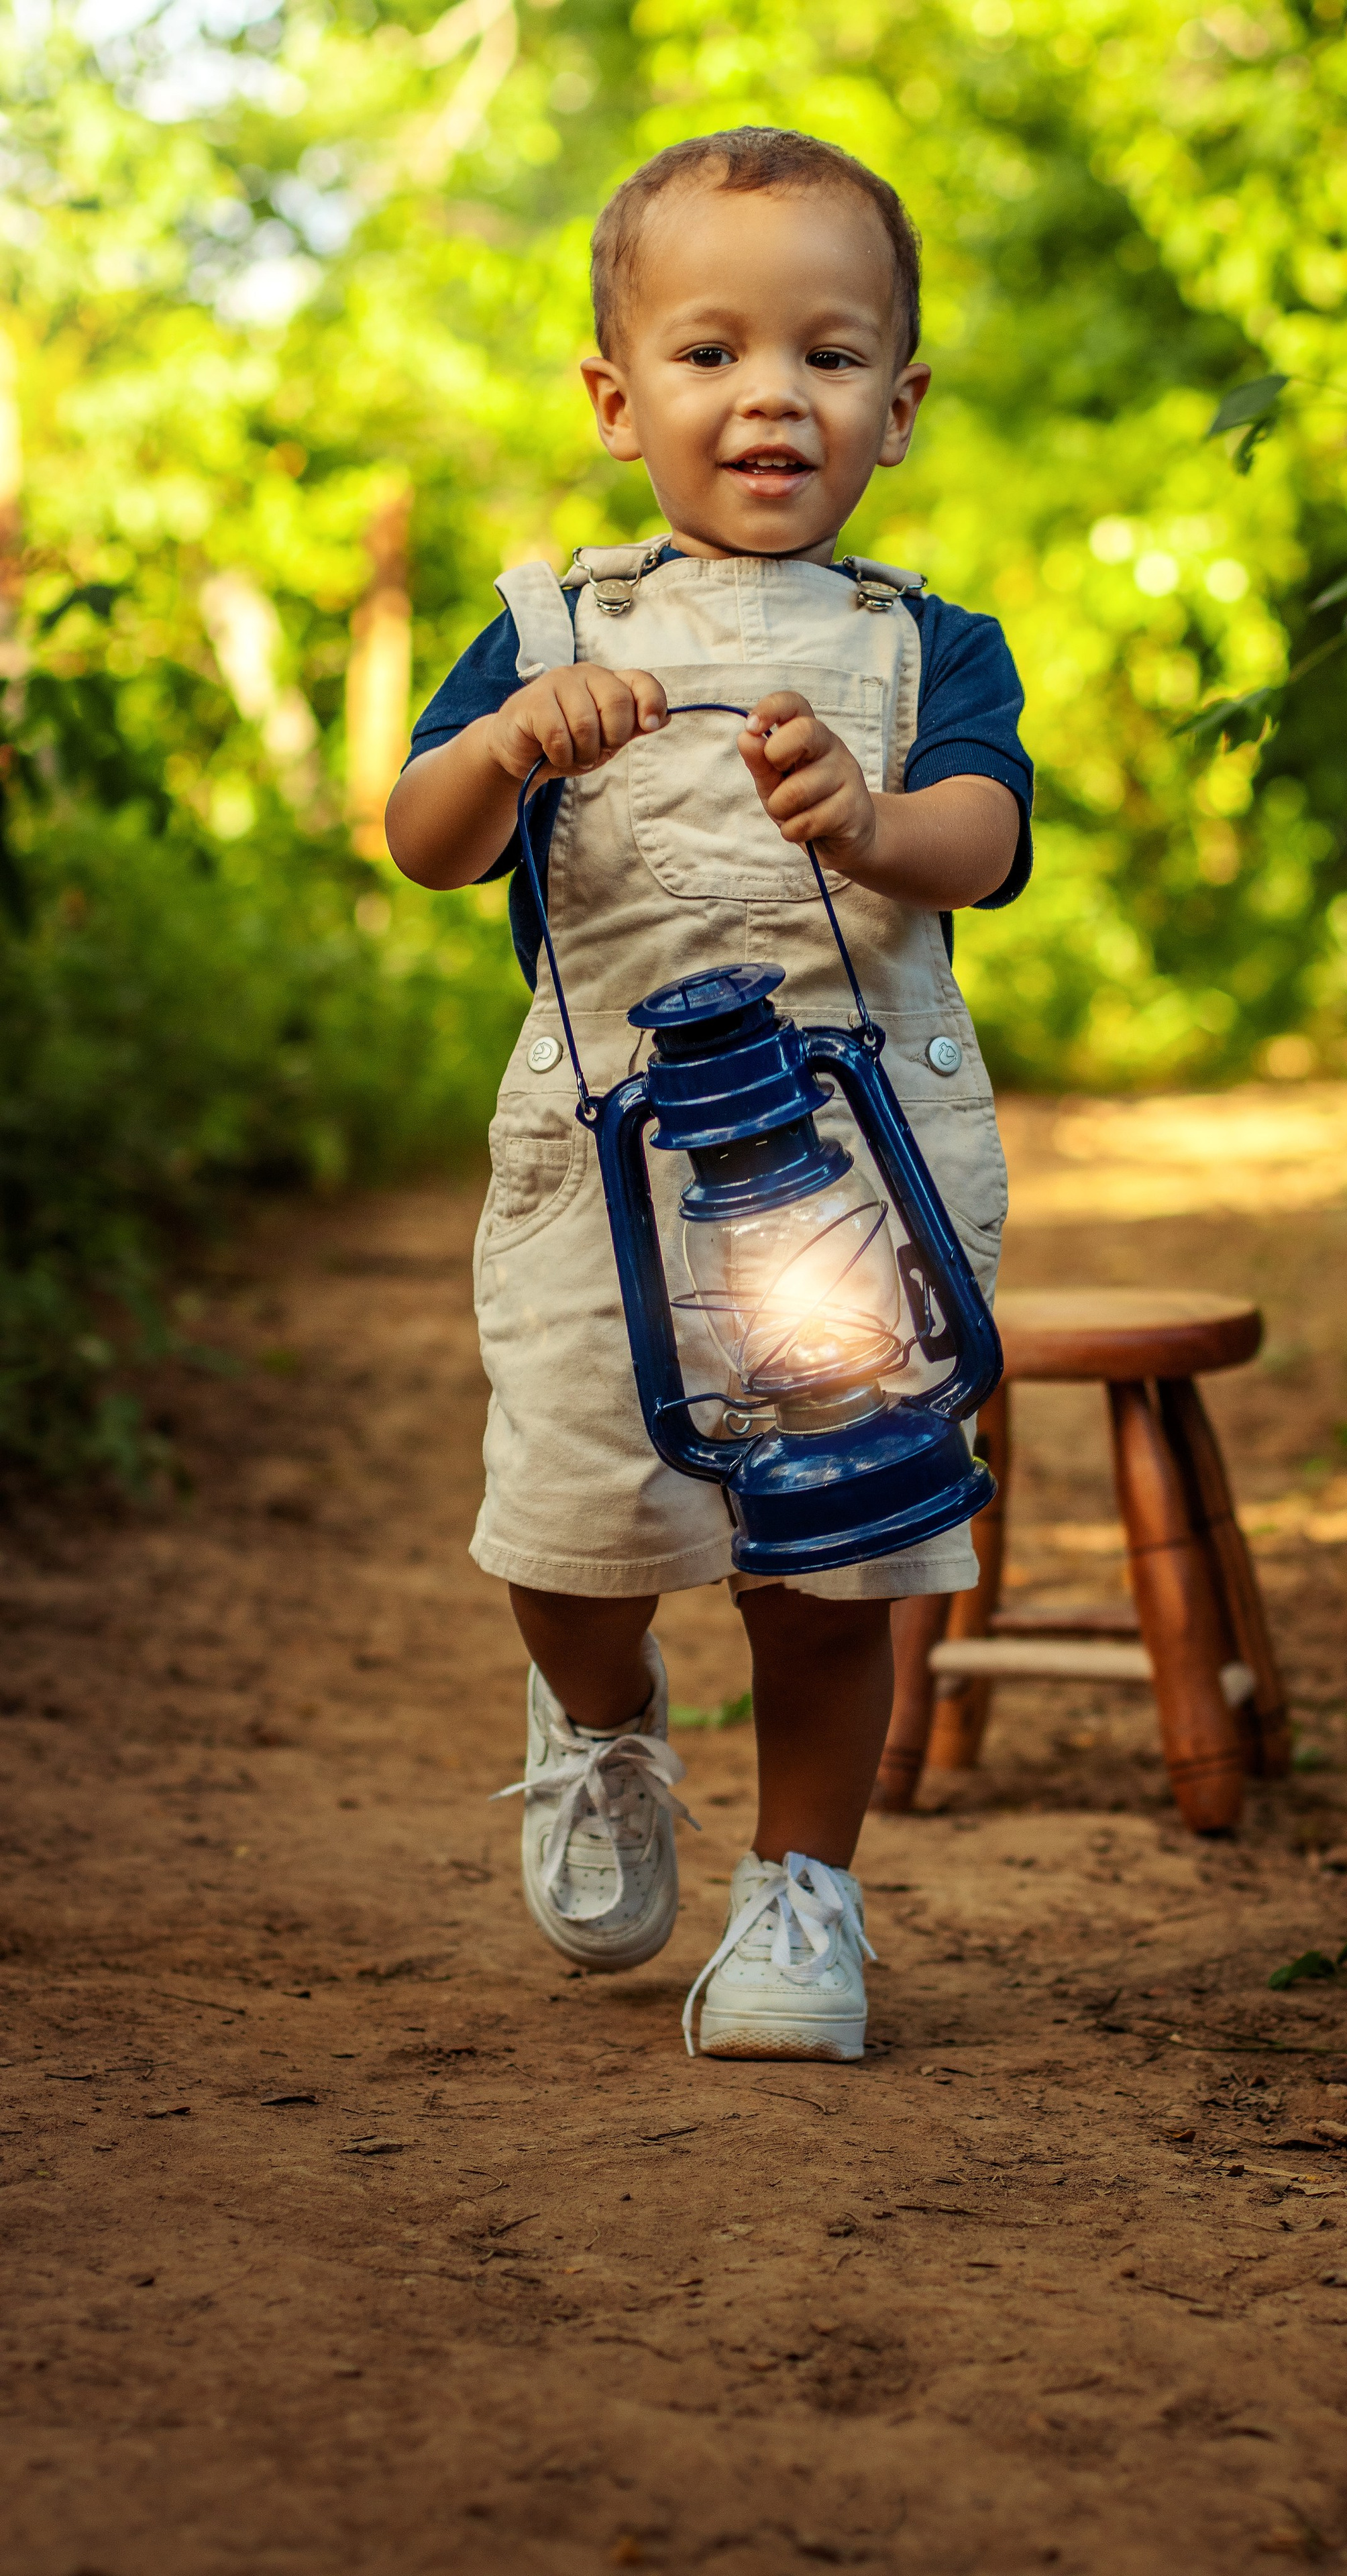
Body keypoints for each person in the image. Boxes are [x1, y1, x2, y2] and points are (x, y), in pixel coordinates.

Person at [386, 127, 1031, 2061]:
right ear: (616, 397)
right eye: (712, 353)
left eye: (831, 358)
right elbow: (423, 841)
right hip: (605, 1183)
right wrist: (504, 745)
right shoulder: (551, 624)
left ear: (896, 408)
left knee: (835, 1551)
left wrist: (875, 814)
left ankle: (805, 1897)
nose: (774, 396)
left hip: (849, 1180)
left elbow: (986, 843)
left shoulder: (930, 647)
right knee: (574, 1538)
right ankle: (597, 1719)